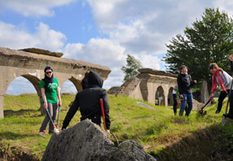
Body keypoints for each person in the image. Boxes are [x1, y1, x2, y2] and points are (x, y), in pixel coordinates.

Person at [39, 66, 62, 136]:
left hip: (54, 100)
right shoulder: (43, 81)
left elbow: (58, 91)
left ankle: (51, 130)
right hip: (48, 100)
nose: (49, 74)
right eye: (47, 73)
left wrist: (60, 100)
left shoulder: (55, 80)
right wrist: (45, 102)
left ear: (52, 72)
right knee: (50, 115)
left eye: (50, 72)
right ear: (45, 73)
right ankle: (41, 131)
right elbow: (43, 93)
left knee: (54, 116)